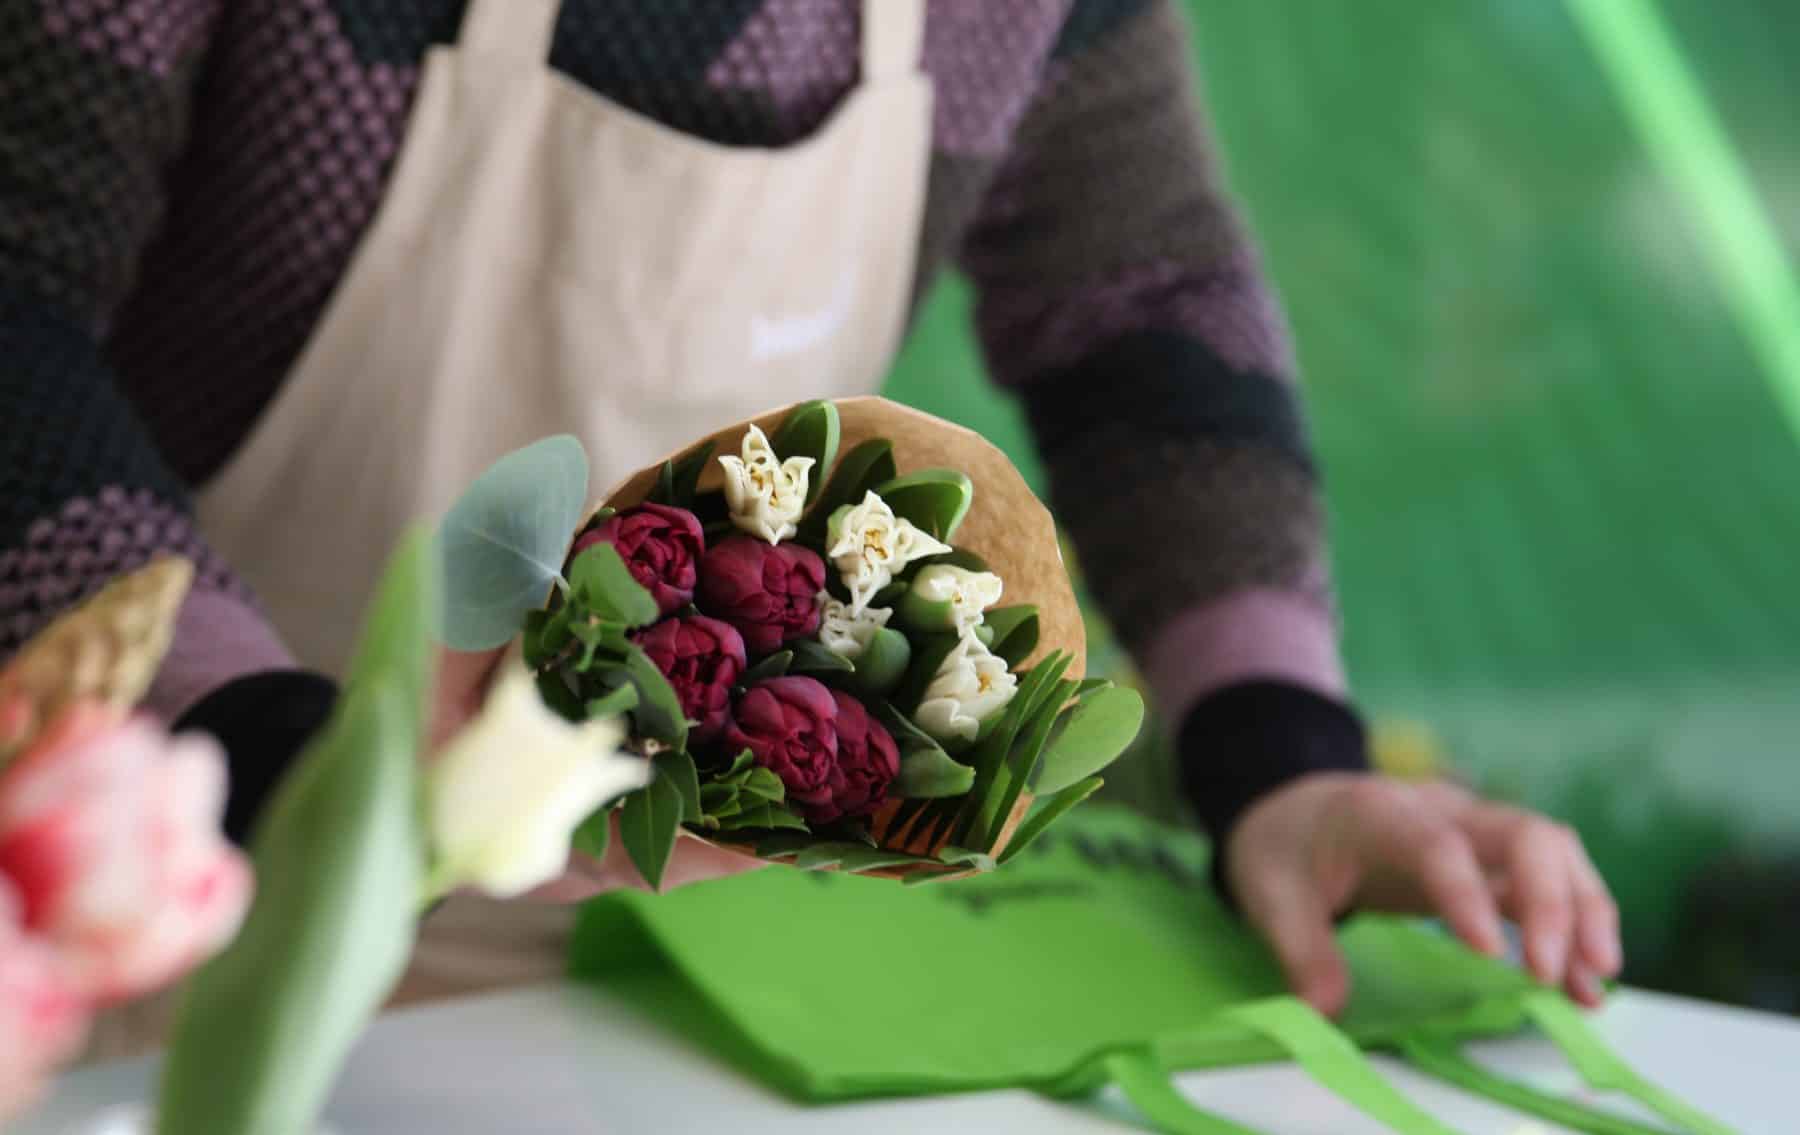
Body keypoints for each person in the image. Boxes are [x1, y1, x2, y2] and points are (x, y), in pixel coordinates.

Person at [0, 0, 1617, 1019]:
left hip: (653, 997)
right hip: (124, 934)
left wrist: (1284, 758)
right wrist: (296, 769)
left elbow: (1141, 309)